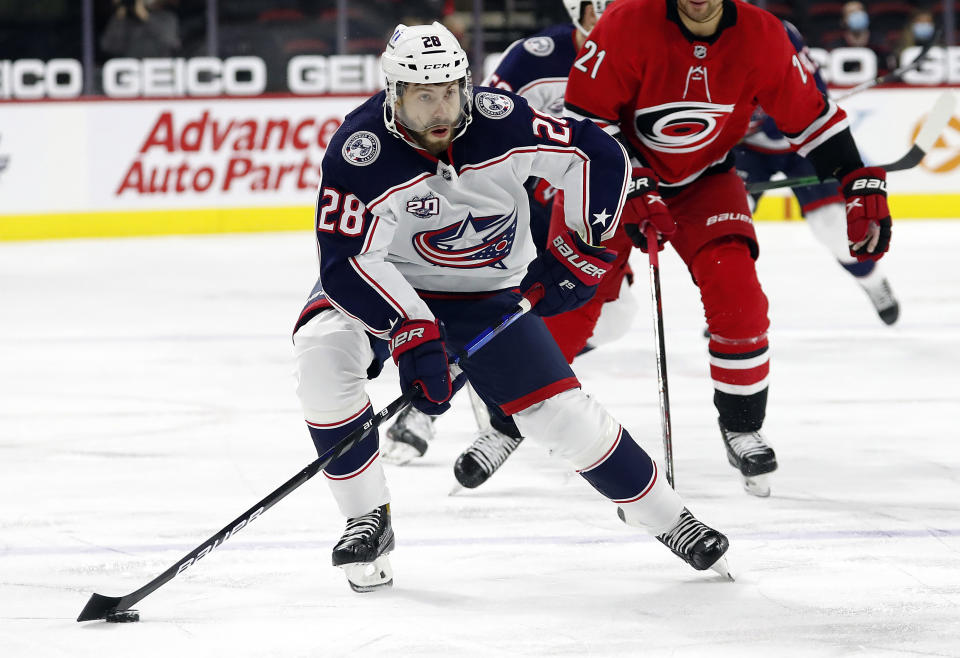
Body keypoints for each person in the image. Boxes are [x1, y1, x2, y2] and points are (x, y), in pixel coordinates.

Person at [292, 21, 730, 592]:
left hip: (484, 293)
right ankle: (366, 519)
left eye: (450, 90)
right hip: (385, 286)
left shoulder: (502, 119)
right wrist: (412, 331)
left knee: (562, 416)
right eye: (424, 96)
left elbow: (595, 153)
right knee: (323, 356)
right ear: (394, 93)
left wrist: (583, 242)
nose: (441, 109)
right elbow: (347, 261)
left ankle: (672, 519)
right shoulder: (360, 150)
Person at [561, 0, 893, 497]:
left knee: (738, 296)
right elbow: (585, 119)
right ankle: (506, 416)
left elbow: (811, 118)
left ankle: (741, 424)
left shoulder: (763, 34)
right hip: (616, 180)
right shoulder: (626, 22)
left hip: (706, 180)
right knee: (577, 305)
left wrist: (857, 180)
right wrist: (631, 184)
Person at [382, 2, 638, 489]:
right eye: (597, 14)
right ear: (576, 12)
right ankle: (431, 413)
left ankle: (505, 412)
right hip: (517, 218)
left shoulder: (644, 52)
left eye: (617, 14)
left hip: (585, 213)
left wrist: (643, 190)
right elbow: (477, 128)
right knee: (489, 316)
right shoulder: (535, 57)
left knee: (615, 315)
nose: (606, 26)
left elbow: (637, 146)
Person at [735, 19, 900, 325]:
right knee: (732, 223)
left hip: (800, 142)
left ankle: (873, 282)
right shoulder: (689, 43)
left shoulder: (774, 31)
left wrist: (780, 112)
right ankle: (729, 303)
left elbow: (816, 88)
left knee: (832, 225)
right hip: (744, 149)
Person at [827, 1, 892, 76]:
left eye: (860, 10)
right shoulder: (836, 47)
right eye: (851, 12)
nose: (857, 15)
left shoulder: (880, 43)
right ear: (843, 20)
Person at [100, 0, 181, 59]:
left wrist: (143, 15)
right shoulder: (125, 20)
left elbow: (170, 41)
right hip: (132, 73)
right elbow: (108, 46)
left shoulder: (167, 17)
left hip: (158, 72)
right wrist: (121, 13)